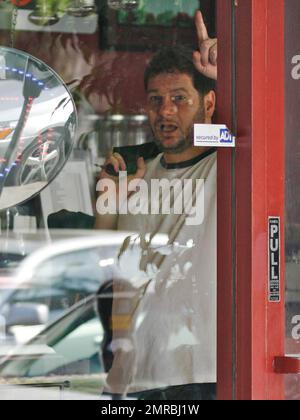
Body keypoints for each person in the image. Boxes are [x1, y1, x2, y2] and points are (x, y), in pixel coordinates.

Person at [95, 11, 218, 400]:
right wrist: (107, 207)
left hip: (199, 374)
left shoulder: (227, 167)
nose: (165, 112)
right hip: (133, 376)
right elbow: (102, 273)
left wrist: (226, 73)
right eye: (156, 100)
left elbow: (261, 129)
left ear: (209, 104)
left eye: (180, 99)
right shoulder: (135, 176)